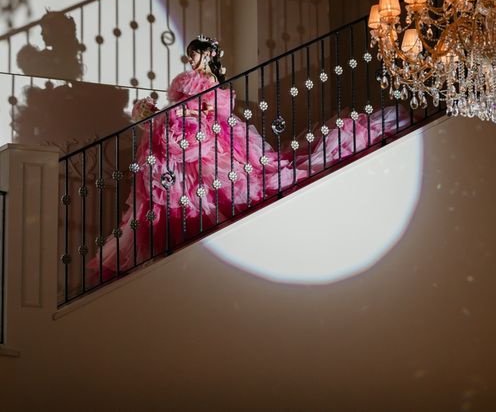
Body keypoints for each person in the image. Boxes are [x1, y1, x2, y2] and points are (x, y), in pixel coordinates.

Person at [90, 35, 407, 282]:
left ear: (208, 55)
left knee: (221, 185)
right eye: (190, 54)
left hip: (205, 140)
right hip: (181, 141)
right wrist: (153, 115)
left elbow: (210, 110)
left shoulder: (209, 82)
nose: (191, 59)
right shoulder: (188, 81)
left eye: (195, 54)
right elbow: (184, 110)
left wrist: (175, 114)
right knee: (179, 191)